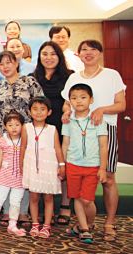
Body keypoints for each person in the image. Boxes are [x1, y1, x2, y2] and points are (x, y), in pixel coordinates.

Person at [61, 40, 126, 242]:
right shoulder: (74, 77)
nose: (88, 53)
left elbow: (121, 105)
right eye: (84, 50)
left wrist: (101, 109)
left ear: (100, 53)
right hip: (79, 130)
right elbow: (66, 104)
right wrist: (66, 114)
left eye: (93, 49)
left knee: (108, 178)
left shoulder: (111, 75)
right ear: (78, 54)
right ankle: (86, 223)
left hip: (105, 130)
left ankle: (109, 223)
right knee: (80, 185)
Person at [0, 51, 44, 226]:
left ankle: (22, 211)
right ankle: (7, 212)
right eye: (1, 64)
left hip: (26, 134)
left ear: (16, 63)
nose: (5, 67)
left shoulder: (30, 82)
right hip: (4, 135)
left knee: (23, 169)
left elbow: (39, 106)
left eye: (8, 62)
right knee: (7, 169)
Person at [32, 41, 74, 225]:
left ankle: (65, 205)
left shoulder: (70, 77)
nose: (48, 58)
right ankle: (40, 207)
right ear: (39, 57)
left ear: (60, 56)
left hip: (62, 127)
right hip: (38, 130)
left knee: (62, 165)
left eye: (52, 54)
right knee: (40, 165)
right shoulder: (32, 77)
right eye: (44, 54)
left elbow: (74, 100)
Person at [62, 84, 108, 244]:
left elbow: (103, 145)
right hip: (73, 165)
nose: (78, 101)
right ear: (70, 102)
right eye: (74, 98)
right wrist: (63, 164)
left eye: (83, 97)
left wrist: (103, 168)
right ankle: (84, 229)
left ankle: (89, 223)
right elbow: (65, 144)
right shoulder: (67, 120)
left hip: (92, 166)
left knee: (87, 200)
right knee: (76, 198)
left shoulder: (98, 119)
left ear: (91, 100)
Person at [20, 97, 65, 238]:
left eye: (42, 109)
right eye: (35, 109)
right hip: (32, 165)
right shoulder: (26, 127)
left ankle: (46, 225)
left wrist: (62, 164)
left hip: (49, 166)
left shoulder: (52, 129)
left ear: (49, 112)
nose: (39, 112)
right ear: (29, 112)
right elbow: (23, 147)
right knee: (33, 197)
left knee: (48, 198)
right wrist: (21, 164)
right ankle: (35, 223)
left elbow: (57, 148)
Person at [0, 113, 27, 236]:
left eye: (17, 125)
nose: (14, 128)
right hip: (4, 175)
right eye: (10, 125)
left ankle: (12, 224)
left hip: (20, 176)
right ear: (4, 126)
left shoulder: (25, 141)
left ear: (22, 126)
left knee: (16, 201)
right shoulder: (3, 141)